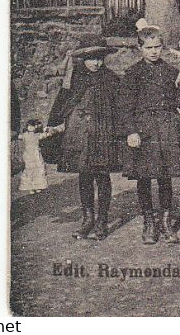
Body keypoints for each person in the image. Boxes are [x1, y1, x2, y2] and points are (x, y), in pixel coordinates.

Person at [118, 23, 180, 244]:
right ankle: (149, 223)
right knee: (144, 177)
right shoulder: (133, 74)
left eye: (158, 47)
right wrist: (131, 131)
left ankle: (165, 222)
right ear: (140, 48)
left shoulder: (172, 72)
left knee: (165, 178)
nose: (154, 51)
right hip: (144, 130)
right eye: (149, 47)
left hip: (168, 127)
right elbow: (125, 107)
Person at [46, 39, 122, 239]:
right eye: (91, 59)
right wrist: (53, 123)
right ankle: (87, 218)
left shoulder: (111, 79)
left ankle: (102, 220)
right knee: (85, 176)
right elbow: (62, 102)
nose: (96, 63)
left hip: (103, 133)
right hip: (80, 134)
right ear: (83, 59)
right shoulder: (75, 79)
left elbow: (120, 107)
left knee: (102, 176)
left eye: (99, 58)